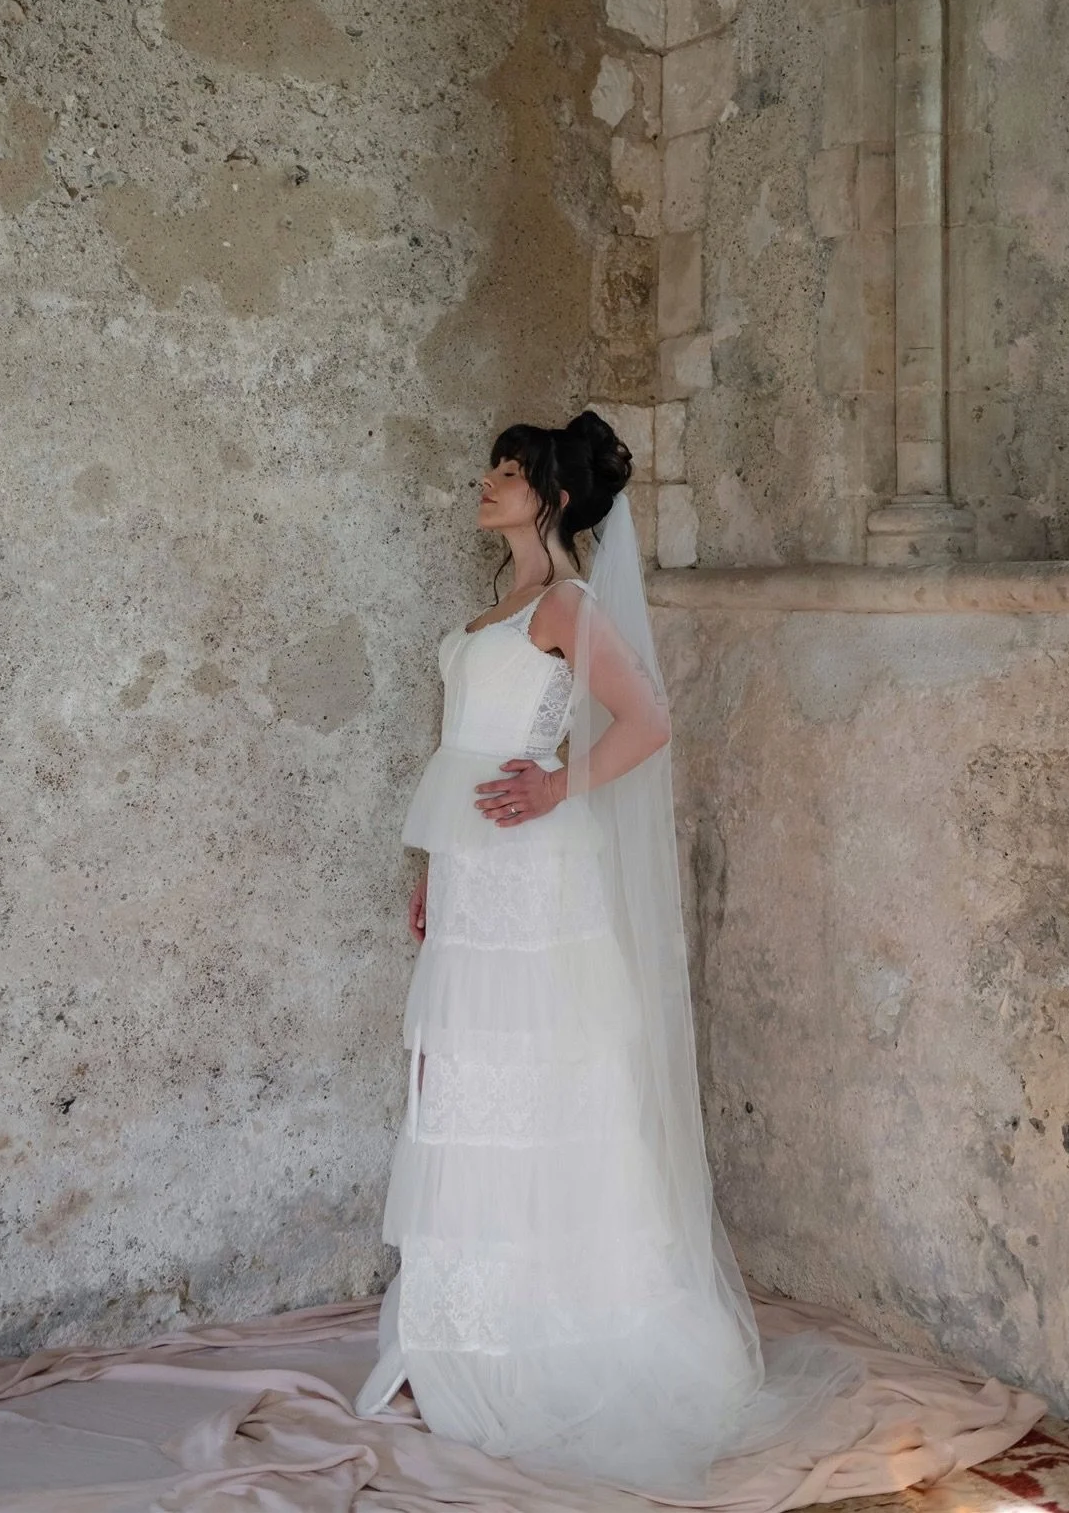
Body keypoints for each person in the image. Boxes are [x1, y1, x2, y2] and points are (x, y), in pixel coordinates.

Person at [354, 411, 860, 1499]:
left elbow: (649, 721)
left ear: (552, 497)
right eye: (489, 469)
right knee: (469, 1080)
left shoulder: (566, 604)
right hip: (478, 877)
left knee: (538, 1088)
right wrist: (434, 876)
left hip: (537, 883)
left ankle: (554, 1334)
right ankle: (464, 1332)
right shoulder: (498, 604)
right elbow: (458, 758)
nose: (486, 484)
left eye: (507, 473)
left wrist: (554, 787)